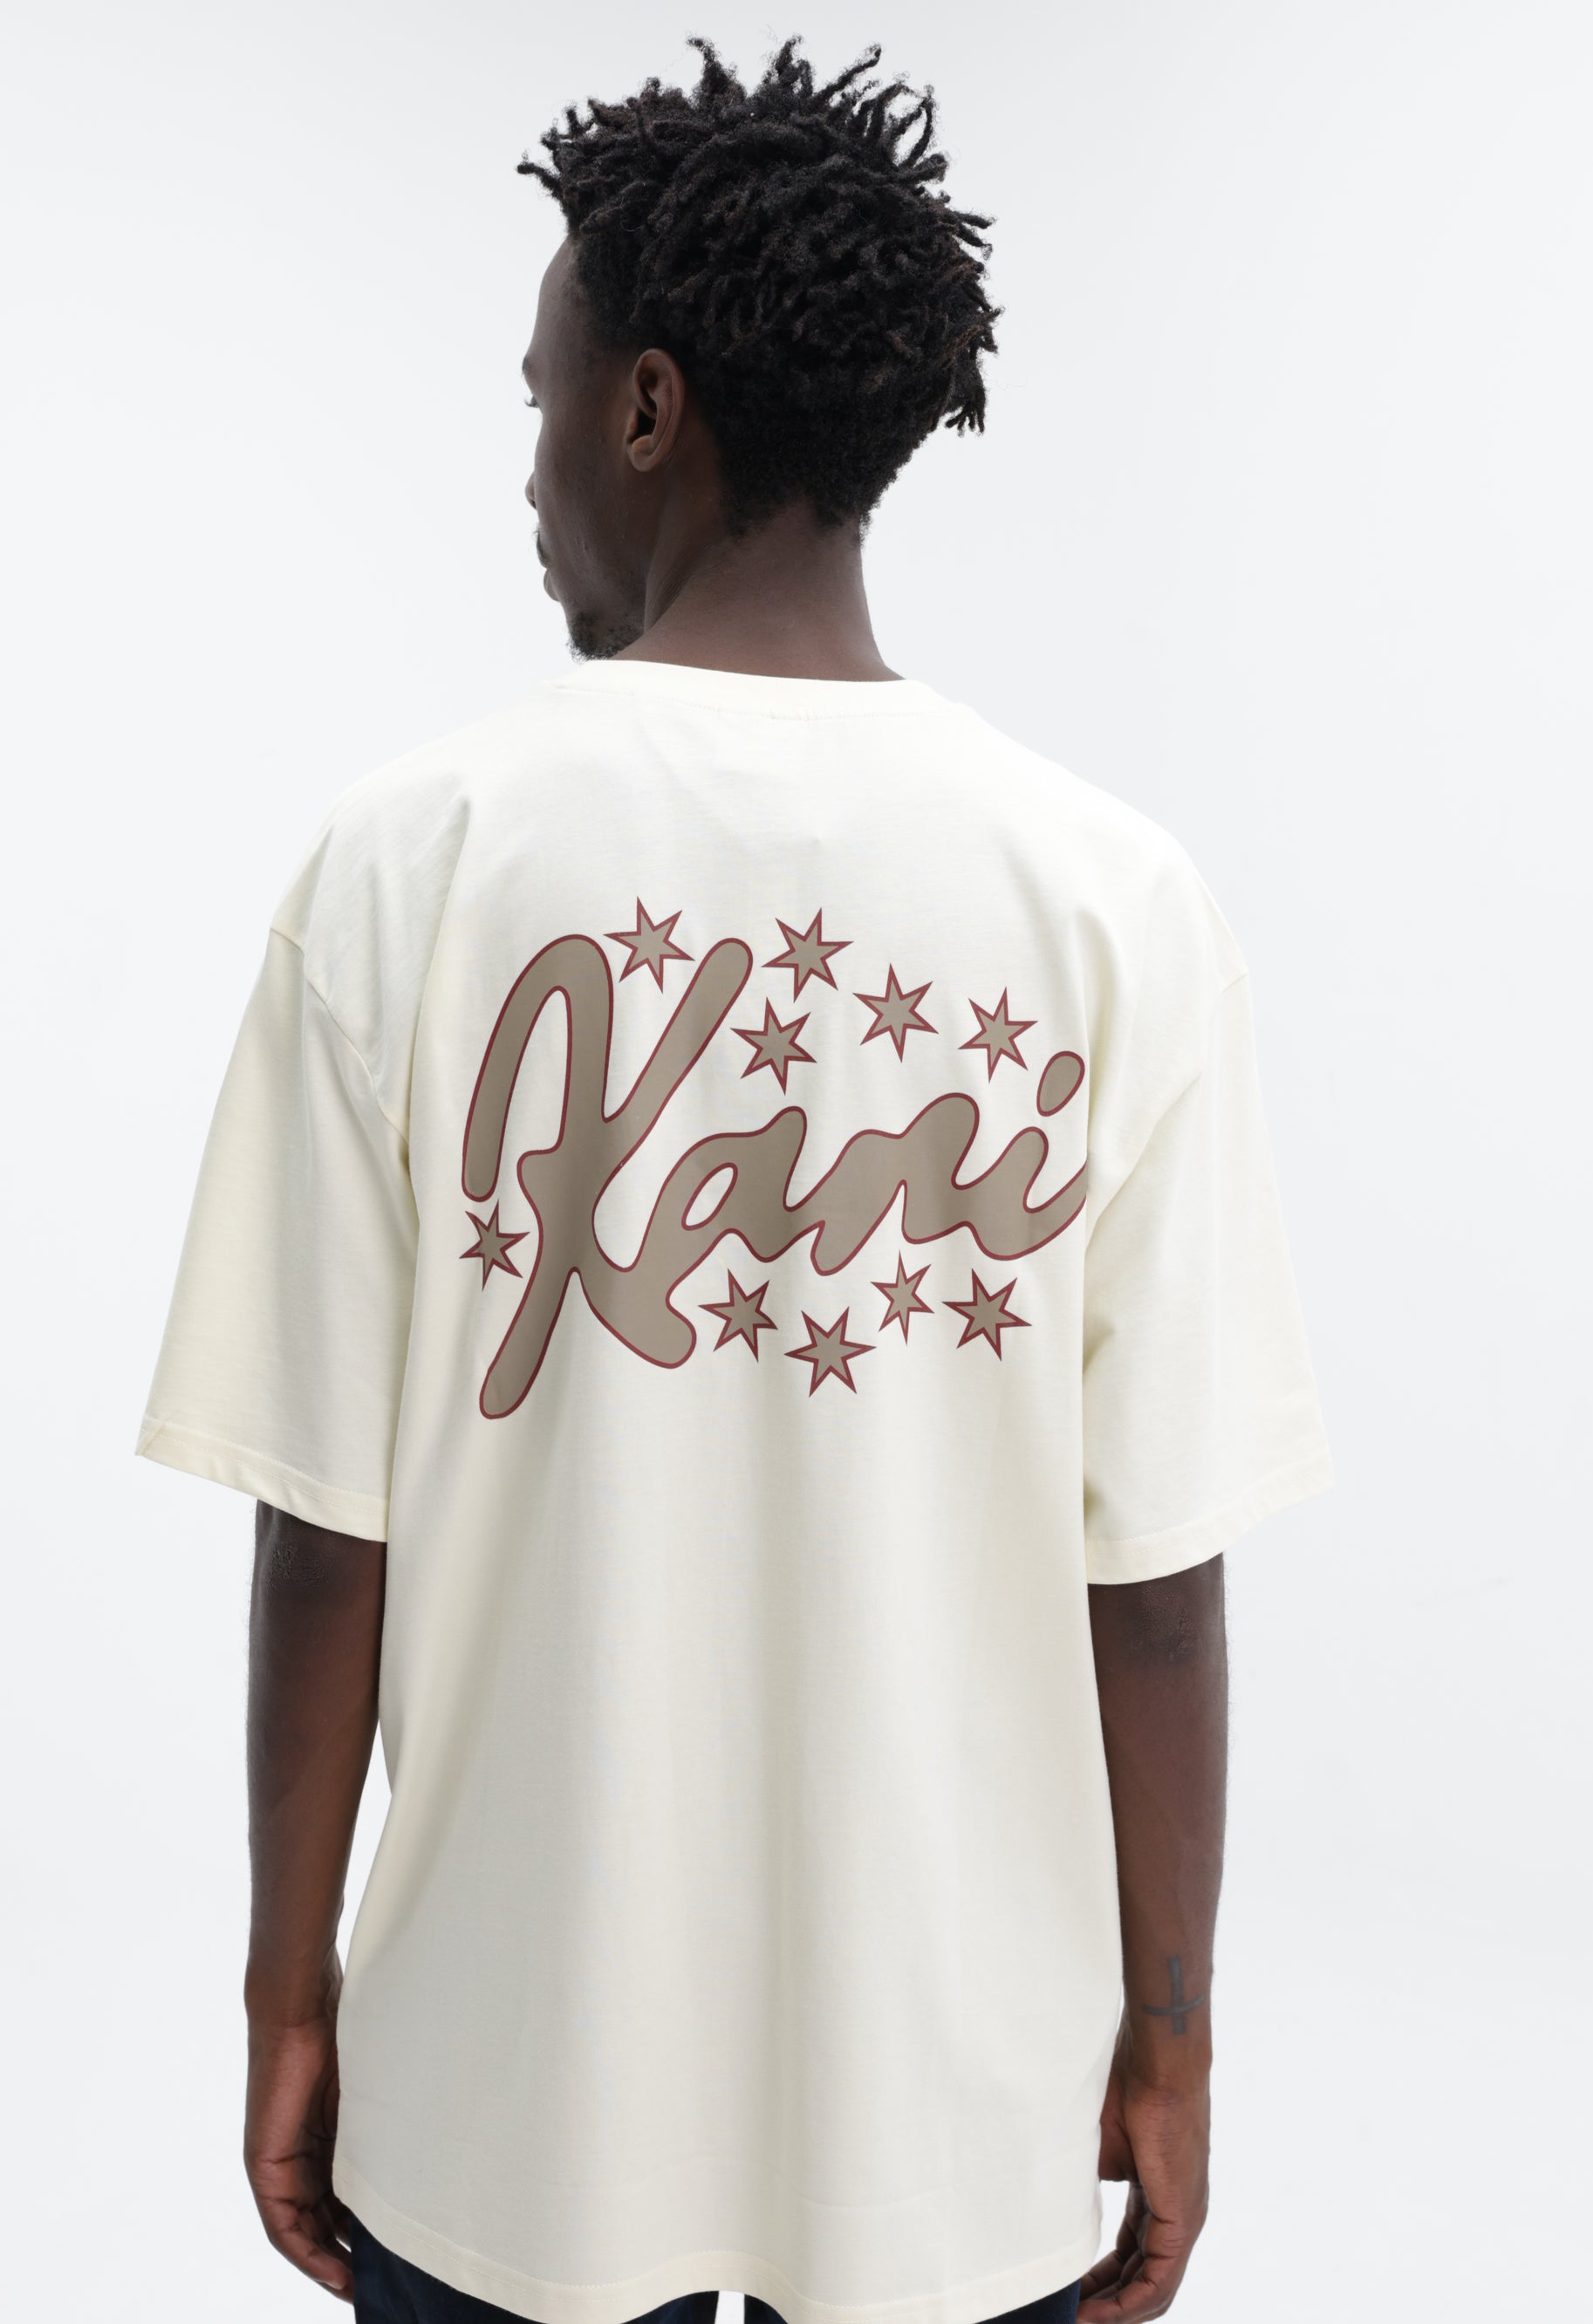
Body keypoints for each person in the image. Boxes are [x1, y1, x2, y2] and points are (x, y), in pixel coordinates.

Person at [138, 38, 1331, 2324]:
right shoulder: (1113, 903)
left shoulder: (410, 866)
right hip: (952, 2127)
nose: (527, 470)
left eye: (542, 399)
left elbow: (323, 1533)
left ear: (648, 411)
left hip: (502, 2103)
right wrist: (1173, 2036)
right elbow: (1159, 1582)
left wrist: (290, 1993)